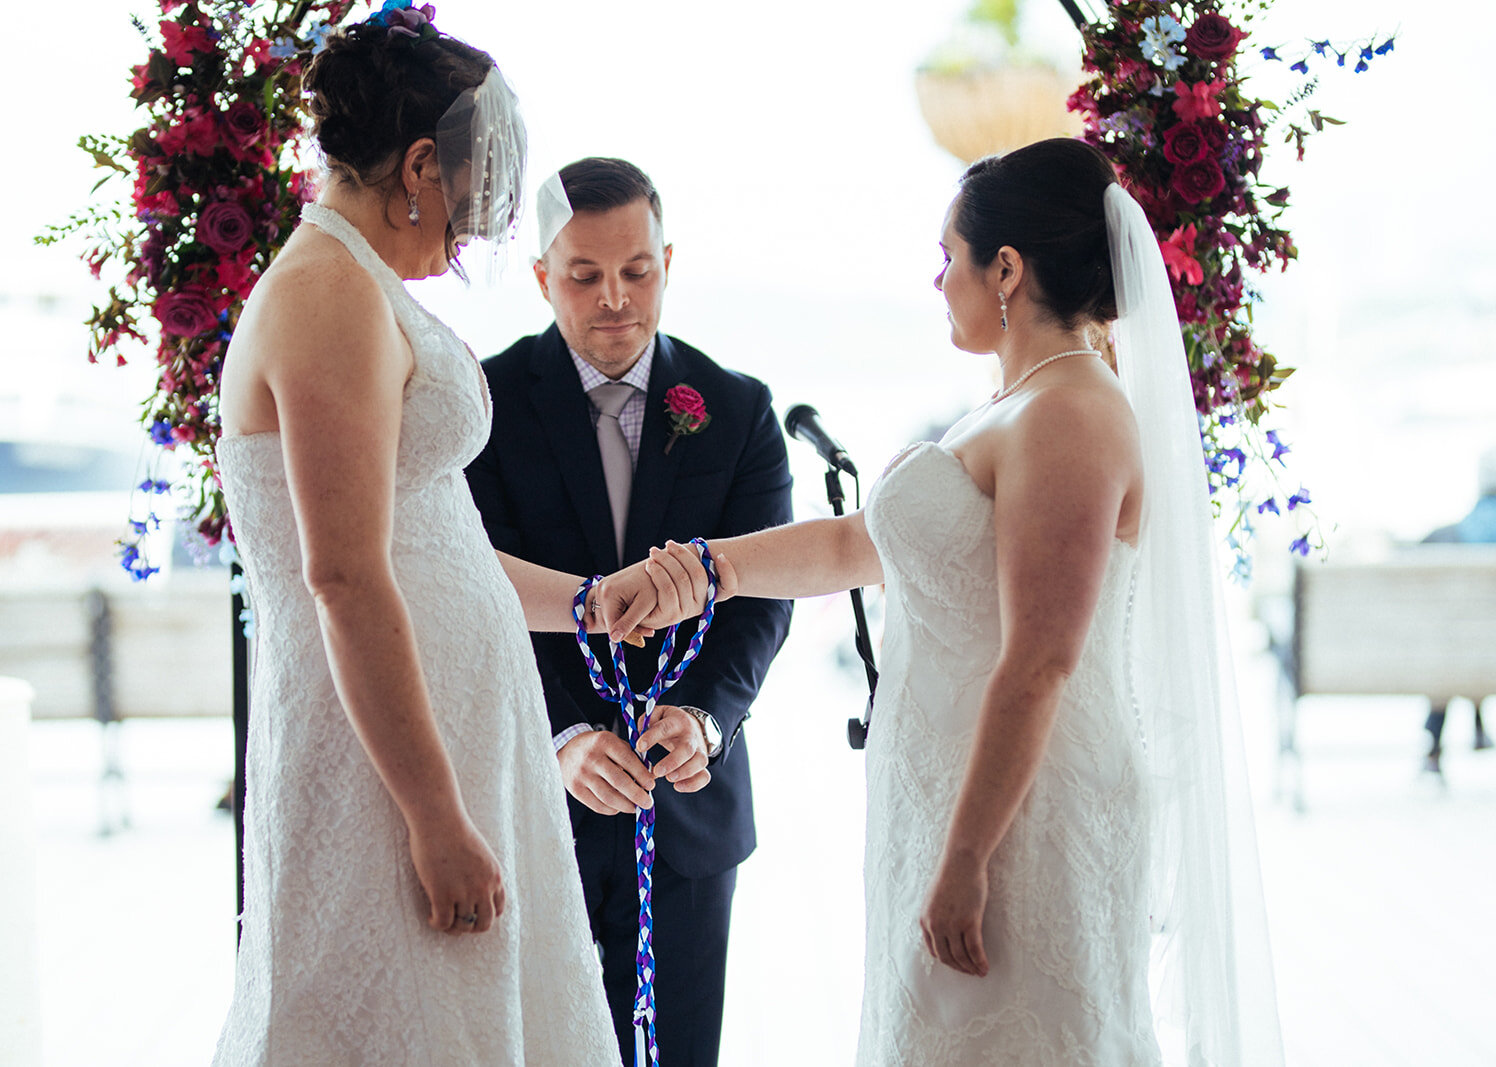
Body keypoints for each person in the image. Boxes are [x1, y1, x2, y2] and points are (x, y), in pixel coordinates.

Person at [604, 137, 1283, 1065]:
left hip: (1025, 809)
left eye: (947, 255)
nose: (937, 281)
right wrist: (699, 570)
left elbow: (1042, 658)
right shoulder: (1017, 400)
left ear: (1005, 268)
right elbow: (858, 545)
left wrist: (967, 857)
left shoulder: (1073, 413)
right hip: (952, 789)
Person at [210, 13, 700, 1064]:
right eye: (471, 194)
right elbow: (343, 576)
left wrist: (580, 600)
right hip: (384, 759)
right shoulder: (327, 294)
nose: (472, 228)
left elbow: (431, 535)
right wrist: (434, 816)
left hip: (453, 730)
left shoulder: (356, 284)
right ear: (421, 163)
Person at [466, 157, 793, 1066]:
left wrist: (707, 718)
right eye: (583, 275)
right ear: (541, 276)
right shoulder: (482, 410)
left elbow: (760, 603)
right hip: (537, 805)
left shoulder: (738, 411)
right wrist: (560, 734)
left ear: (667, 260)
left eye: (636, 270)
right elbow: (471, 597)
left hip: (689, 811)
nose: (614, 298)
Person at [1420, 446, 1496, 770]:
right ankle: (1477, 729)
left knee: (1452, 643)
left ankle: (1434, 746)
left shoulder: (1447, 536)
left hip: (1455, 655)